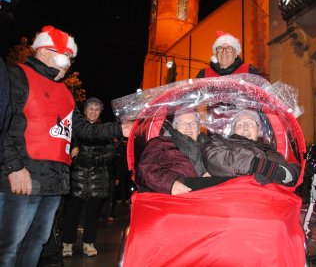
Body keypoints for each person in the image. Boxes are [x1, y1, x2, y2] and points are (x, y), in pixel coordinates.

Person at [0, 25, 131, 267]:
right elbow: (4, 124)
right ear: (45, 51)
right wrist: (14, 167)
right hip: (22, 179)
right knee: (8, 248)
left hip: (53, 182)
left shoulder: (66, 93)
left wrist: (120, 129)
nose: (69, 63)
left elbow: (84, 129)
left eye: (71, 57)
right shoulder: (14, 76)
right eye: (66, 56)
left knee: (36, 243)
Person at [61, 97, 117, 257]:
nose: (93, 111)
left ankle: (88, 243)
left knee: (93, 214)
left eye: (97, 109)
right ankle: (67, 243)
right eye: (90, 108)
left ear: (100, 112)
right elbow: (66, 144)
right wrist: (74, 150)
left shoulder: (105, 130)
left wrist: (95, 160)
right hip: (76, 177)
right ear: (84, 111)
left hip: (98, 179)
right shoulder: (76, 128)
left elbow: (112, 154)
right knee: (72, 212)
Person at [203, 109, 300, 186]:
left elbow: (296, 170)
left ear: (259, 131)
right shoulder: (221, 143)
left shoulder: (272, 152)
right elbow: (214, 157)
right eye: (240, 124)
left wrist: (284, 173)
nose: (245, 128)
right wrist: (257, 165)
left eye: (250, 123)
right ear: (233, 130)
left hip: (269, 202)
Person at [137, 109, 216, 195]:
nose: (188, 127)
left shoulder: (206, 148)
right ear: (174, 126)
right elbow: (145, 170)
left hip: (203, 196)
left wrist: (213, 173)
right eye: (183, 123)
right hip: (174, 200)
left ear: (199, 129)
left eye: (193, 124)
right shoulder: (160, 143)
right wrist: (171, 184)